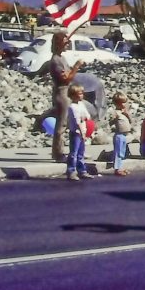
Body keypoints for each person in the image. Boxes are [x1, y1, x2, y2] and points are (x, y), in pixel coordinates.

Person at [50, 31, 83, 163]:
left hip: (66, 93)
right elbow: (65, 79)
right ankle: (58, 153)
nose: (67, 44)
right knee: (62, 124)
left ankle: (69, 150)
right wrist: (76, 66)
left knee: (68, 123)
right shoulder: (55, 61)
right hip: (61, 93)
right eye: (65, 42)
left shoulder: (61, 58)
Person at [65, 84, 93, 181]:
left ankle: (82, 170)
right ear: (73, 95)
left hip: (83, 131)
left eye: (82, 93)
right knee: (74, 153)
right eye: (79, 94)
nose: (81, 96)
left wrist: (84, 120)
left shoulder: (81, 104)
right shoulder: (72, 107)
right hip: (76, 133)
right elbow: (78, 122)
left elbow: (87, 116)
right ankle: (71, 171)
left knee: (81, 153)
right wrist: (83, 133)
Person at [107, 92, 133, 176]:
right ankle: (117, 168)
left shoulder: (125, 112)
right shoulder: (116, 113)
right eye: (122, 103)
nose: (124, 104)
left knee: (122, 152)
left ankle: (120, 167)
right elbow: (110, 123)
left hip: (125, 135)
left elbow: (131, 122)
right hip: (119, 135)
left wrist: (128, 115)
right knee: (118, 152)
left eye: (125, 102)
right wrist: (114, 119)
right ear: (117, 103)